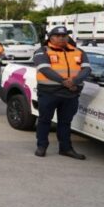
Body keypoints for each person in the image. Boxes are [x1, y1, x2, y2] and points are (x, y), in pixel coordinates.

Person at [33, 26, 91, 159]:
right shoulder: (42, 51)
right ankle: (41, 146)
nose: (61, 38)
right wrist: (65, 81)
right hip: (49, 93)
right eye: (57, 36)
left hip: (71, 93)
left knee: (65, 123)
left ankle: (66, 148)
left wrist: (74, 82)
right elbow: (44, 69)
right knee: (44, 120)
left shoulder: (79, 51)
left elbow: (87, 69)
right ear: (51, 37)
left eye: (64, 35)